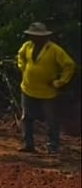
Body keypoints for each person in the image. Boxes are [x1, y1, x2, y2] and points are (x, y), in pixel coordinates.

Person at [15, 22, 76, 154]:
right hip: (28, 88)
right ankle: (28, 144)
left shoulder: (54, 50)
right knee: (26, 118)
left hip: (47, 92)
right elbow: (20, 56)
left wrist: (60, 82)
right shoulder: (27, 46)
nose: (35, 38)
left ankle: (53, 146)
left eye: (37, 36)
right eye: (32, 35)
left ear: (44, 36)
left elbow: (69, 65)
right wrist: (23, 67)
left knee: (51, 120)